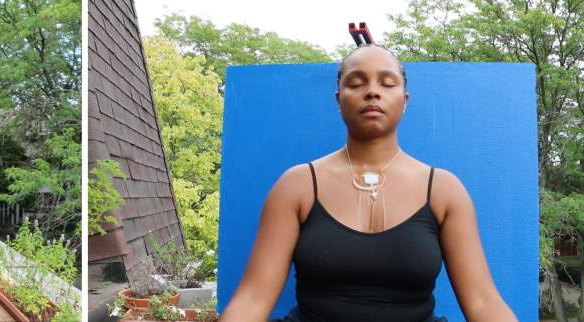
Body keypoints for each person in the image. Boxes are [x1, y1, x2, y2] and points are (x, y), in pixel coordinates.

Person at [220, 45, 516, 321]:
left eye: (387, 83)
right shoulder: (297, 186)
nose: (372, 92)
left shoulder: (444, 191)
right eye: (356, 83)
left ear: (405, 100)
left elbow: (482, 301)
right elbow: (253, 299)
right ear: (339, 98)